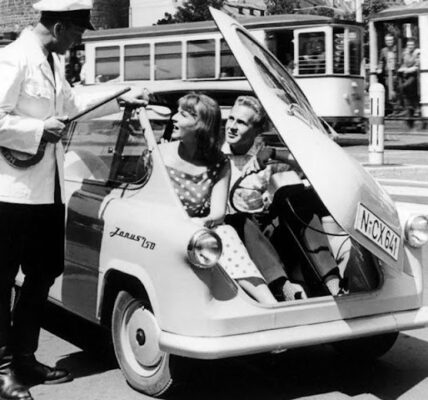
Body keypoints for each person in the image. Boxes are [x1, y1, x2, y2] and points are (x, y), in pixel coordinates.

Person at [0, 1, 147, 399]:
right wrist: (35, 128)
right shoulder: (13, 59)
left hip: (47, 191)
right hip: (10, 193)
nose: (82, 38)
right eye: (79, 30)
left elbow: (71, 105)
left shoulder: (51, 62)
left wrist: (122, 97)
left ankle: (24, 358)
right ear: (61, 26)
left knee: (43, 272)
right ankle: (2, 371)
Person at [159, 93, 278, 304]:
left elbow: (218, 213)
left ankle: (270, 303)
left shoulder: (218, 162)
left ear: (201, 125)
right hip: (160, 226)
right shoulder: (158, 154)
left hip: (197, 228)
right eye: (231, 119)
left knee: (224, 231)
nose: (174, 119)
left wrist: (197, 224)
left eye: (183, 115)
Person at [223, 96, 344, 298]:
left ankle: (334, 284)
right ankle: (283, 286)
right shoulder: (215, 154)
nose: (232, 127)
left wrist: (273, 153)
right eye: (231, 119)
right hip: (234, 236)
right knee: (239, 219)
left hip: (269, 233)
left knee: (295, 197)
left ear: (257, 129)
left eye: (242, 122)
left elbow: (313, 165)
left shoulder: (263, 155)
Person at [398, 37, 420, 127]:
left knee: (404, 87)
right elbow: (403, 64)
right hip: (406, 75)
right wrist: (402, 69)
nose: (410, 47)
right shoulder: (405, 53)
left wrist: (407, 70)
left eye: (412, 45)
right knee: (401, 85)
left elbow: (417, 66)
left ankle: (412, 107)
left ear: (414, 45)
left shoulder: (417, 53)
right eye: (408, 45)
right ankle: (407, 108)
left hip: (414, 75)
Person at [376, 33, 399, 115]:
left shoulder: (397, 49)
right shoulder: (384, 50)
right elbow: (381, 61)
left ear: (393, 40)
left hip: (395, 73)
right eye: (387, 40)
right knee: (388, 91)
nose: (389, 42)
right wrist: (379, 68)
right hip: (387, 74)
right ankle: (391, 109)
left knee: (395, 91)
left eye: (390, 40)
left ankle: (397, 109)